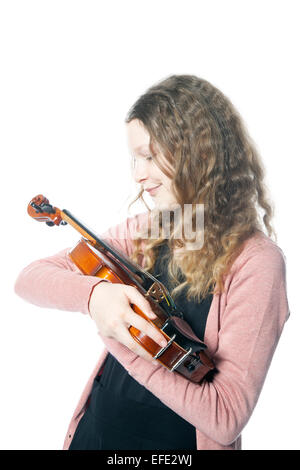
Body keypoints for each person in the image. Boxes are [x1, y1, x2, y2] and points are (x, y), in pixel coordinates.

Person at [14, 74, 290, 450]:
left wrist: (121, 339)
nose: (138, 175)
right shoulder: (149, 230)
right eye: (134, 159)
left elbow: (225, 417)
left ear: (199, 152)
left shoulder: (256, 264)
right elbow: (30, 278)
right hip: (93, 436)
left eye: (149, 155)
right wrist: (95, 297)